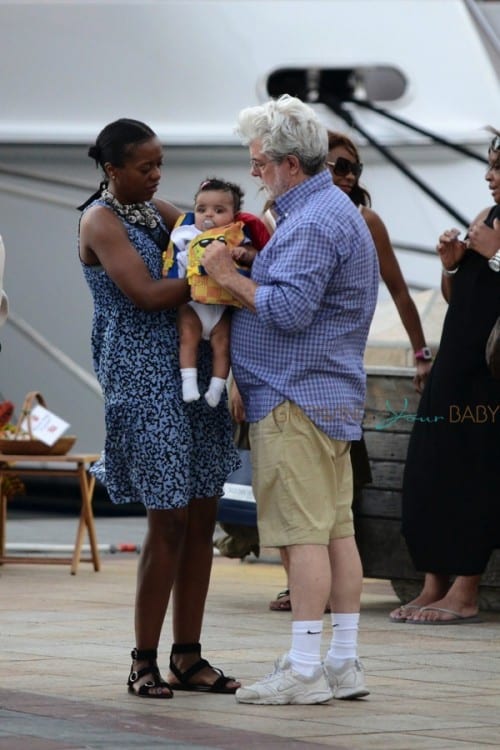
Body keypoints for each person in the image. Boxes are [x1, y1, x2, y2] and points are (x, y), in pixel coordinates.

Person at [203, 94, 379, 704]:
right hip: (326, 394)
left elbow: (288, 309)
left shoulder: (310, 220)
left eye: (258, 163)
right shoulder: (331, 210)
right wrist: (259, 263)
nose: (253, 173)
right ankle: (344, 662)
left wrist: (228, 276)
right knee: (336, 533)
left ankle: (305, 669)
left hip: (293, 398)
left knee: (303, 536)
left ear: (289, 166)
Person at [78, 118, 241, 698]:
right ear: (111, 169)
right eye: (145, 167)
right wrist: (216, 275)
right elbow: (146, 293)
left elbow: (222, 234)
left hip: (191, 370)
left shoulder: (159, 210)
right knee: (167, 517)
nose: (156, 175)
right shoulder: (99, 220)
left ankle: (188, 657)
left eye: (159, 164)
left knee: (201, 515)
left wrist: (233, 247)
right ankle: (142, 659)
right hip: (142, 379)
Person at [267, 129, 432, 612]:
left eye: (353, 167)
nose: (347, 175)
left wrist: (421, 354)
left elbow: (399, 290)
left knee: (335, 504)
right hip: (278, 376)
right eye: (338, 165)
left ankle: (318, 600)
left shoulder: (363, 220)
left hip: (326, 381)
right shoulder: (282, 217)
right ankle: (300, 584)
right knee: (284, 502)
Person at [389, 129, 500, 625]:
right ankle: (432, 582)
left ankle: (465, 591)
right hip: (453, 365)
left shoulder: (491, 232)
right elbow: (461, 297)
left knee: (475, 476)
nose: (489, 175)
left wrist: (495, 254)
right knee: (429, 472)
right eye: (490, 164)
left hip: (488, 377)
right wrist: (451, 266)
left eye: (498, 167)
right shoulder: (485, 218)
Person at [165, 177, 264, 407]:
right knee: (187, 339)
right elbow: (173, 258)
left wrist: (243, 253)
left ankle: (216, 388)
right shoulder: (185, 232)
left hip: (221, 309)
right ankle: (188, 383)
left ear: (234, 215)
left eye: (219, 210)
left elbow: (254, 253)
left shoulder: (236, 235)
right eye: (202, 209)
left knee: (223, 346)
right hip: (193, 304)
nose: (208, 216)